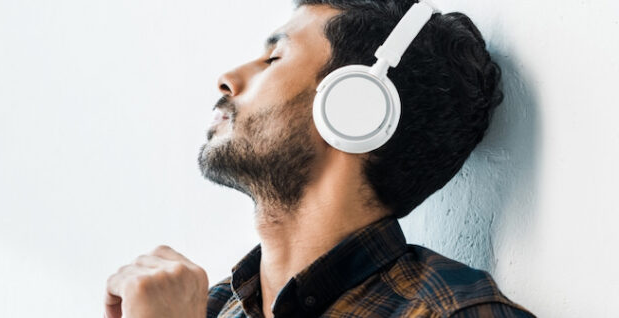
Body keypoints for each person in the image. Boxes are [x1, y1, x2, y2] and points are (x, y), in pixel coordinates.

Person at [103, 0, 535, 317]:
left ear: (356, 108)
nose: (228, 80)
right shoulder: (209, 308)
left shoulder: (453, 313)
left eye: (274, 57)